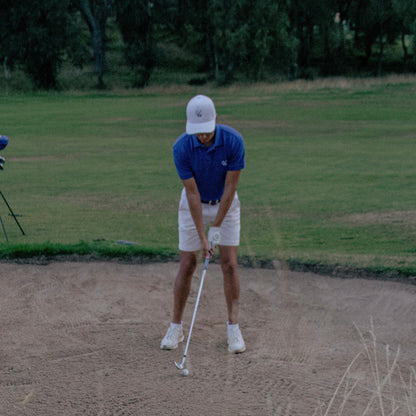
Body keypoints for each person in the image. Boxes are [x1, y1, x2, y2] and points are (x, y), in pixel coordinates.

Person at [160, 94, 246, 354]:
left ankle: (233, 329)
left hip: (225, 205)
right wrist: (203, 236)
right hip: (192, 206)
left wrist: (217, 227)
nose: (203, 137)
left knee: (229, 264)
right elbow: (192, 193)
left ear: (215, 120)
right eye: (198, 133)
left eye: (207, 131)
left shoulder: (233, 141)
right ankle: (176, 327)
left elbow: (231, 187)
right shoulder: (181, 148)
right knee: (188, 263)